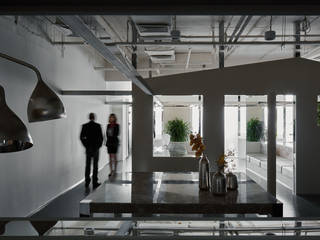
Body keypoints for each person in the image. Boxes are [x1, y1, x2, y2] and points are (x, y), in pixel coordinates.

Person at [80, 113, 103, 189]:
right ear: (94, 118)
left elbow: (81, 137)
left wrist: (86, 145)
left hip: (89, 148)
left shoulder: (85, 126)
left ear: (89, 117)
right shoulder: (98, 126)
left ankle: (87, 181)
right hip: (96, 149)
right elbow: (101, 138)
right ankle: (94, 182)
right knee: (95, 166)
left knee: (88, 165)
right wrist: (98, 146)